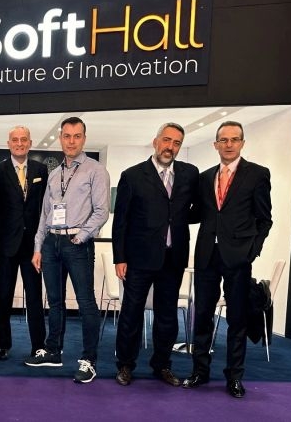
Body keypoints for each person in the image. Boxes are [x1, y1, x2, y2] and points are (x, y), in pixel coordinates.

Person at [183, 121, 272, 398]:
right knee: (202, 316)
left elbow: (265, 219)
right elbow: (197, 213)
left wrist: (251, 251)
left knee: (237, 319)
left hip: (238, 258)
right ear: (216, 144)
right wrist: (169, 208)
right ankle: (200, 372)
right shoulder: (205, 177)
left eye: (234, 139)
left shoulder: (257, 174)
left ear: (242, 143)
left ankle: (234, 377)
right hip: (207, 256)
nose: (229, 144)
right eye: (224, 140)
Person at [111, 123, 199, 387]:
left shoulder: (189, 174)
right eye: (166, 140)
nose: (170, 147)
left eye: (176, 143)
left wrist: (178, 219)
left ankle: (162, 365)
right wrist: (119, 257)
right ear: (155, 141)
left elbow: (196, 209)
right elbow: (121, 221)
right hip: (138, 258)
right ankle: (125, 365)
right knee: (131, 313)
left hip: (173, 258)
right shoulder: (132, 175)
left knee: (167, 317)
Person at [26, 116, 110, 384]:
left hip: (77, 243)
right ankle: (53, 351)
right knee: (55, 301)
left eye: (77, 136)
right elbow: (45, 214)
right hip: (51, 243)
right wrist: (38, 246)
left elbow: (102, 211)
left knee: (86, 303)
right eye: (67, 136)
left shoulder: (96, 170)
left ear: (84, 138)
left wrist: (81, 236)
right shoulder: (54, 174)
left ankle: (89, 360)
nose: (71, 141)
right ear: (61, 138)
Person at [0, 126, 47, 361]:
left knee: (34, 297)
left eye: (24, 139)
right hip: (5, 244)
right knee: (3, 296)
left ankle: (38, 346)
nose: (20, 143)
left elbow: (45, 206)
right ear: (9, 143)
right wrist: (5, 227)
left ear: (30, 143)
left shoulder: (41, 169)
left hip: (33, 246)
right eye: (15, 140)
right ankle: (2, 344)